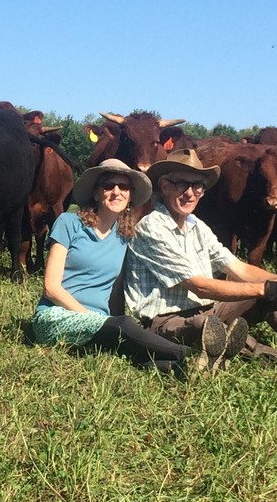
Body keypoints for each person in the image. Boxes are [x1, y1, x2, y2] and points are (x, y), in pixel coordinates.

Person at [124, 149, 277, 365]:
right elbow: (199, 286)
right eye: (182, 184)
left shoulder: (195, 224)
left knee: (275, 294)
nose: (190, 193)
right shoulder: (152, 227)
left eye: (197, 186)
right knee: (208, 328)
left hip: (208, 308)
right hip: (166, 321)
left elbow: (236, 267)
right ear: (165, 186)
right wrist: (265, 289)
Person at [32, 158, 246, 376]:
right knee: (124, 325)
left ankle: (189, 369)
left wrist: (109, 321)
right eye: (108, 185)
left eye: (124, 187)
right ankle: (190, 354)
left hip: (102, 326)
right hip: (57, 317)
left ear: (130, 196)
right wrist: (93, 318)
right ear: (96, 193)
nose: (116, 191)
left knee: (135, 355)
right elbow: (51, 288)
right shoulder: (69, 223)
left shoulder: (124, 237)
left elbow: (117, 289)